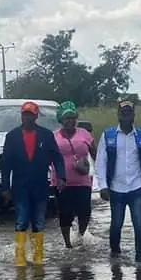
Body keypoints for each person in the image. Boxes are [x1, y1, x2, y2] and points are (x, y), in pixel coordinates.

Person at [0, 101, 66, 266]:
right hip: (20, 186)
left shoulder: (46, 135)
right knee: (21, 220)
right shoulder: (12, 136)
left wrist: (61, 177)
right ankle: (20, 257)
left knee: (39, 221)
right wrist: (5, 188)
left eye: (31, 114)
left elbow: (57, 157)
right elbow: (6, 164)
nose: (28, 117)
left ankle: (38, 257)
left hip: (40, 186)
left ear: (36, 116)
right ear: (22, 116)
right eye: (25, 114)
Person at [94, 100, 141, 264]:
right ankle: (115, 255)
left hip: (136, 187)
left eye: (129, 112)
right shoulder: (108, 135)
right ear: (118, 115)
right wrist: (103, 186)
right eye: (123, 112)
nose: (126, 115)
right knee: (115, 225)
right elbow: (101, 162)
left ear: (134, 115)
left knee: (139, 224)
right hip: (116, 187)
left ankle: (140, 258)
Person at [52, 101, 97, 248]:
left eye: (72, 117)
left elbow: (96, 154)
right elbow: (46, 156)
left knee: (85, 212)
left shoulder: (85, 134)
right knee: (65, 213)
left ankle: (80, 235)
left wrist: (103, 174)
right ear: (61, 120)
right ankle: (67, 244)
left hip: (83, 180)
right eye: (66, 118)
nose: (70, 121)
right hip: (60, 181)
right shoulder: (54, 136)